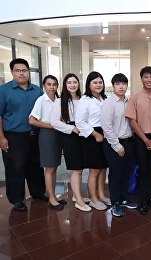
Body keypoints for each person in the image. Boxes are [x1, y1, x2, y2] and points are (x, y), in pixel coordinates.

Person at [0, 58, 47, 212]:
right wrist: (1, 137)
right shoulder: (4, 90)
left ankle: (38, 191)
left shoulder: (37, 90)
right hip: (14, 136)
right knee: (15, 168)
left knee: (35, 165)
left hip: (35, 135)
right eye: (17, 70)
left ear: (28, 72)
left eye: (24, 70)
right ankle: (17, 199)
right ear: (12, 72)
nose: (21, 73)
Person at [125, 66, 151, 215]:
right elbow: (132, 121)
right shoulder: (134, 98)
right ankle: (143, 201)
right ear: (141, 79)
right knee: (143, 170)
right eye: (146, 77)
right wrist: (146, 140)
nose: (149, 80)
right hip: (141, 139)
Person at [50, 73, 91, 212]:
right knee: (77, 168)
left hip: (83, 135)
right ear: (65, 85)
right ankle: (79, 201)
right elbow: (54, 122)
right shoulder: (60, 101)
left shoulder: (83, 99)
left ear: (79, 84)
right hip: (69, 136)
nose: (72, 85)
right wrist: (71, 128)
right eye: (69, 82)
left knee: (80, 167)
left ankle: (76, 195)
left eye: (75, 82)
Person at [101, 73, 138, 217]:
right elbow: (107, 126)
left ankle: (123, 199)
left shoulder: (129, 101)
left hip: (129, 141)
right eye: (118, 84)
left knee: (126, 173)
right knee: (115, 174)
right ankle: (115, 202)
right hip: (113, 143)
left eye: (123, 84)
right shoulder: (108, 103)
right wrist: (117, 146)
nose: (121, 86)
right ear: (113, 86)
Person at [29, 75, 65, 210]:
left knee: (54, 167)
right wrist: (51, 126)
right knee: (49, 168)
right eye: (49, 84)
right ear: (44, 85)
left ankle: (53, 195)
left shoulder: (58, 100)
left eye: (54, 84)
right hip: (47, 134)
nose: (52, 87)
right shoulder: (41, 100)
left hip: (58, 134)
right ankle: (51, 198)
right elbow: (32, 120)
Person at [75, 71, 110, 211]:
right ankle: (93, 199)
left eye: (100, 82)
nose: (98, 85)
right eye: (95, 82)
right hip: (91, 136)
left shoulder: (104, 99)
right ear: (89, 84)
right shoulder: (85, 100)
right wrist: (95, 134)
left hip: (105, 134)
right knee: (94, 170)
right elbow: (80, 122)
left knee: (103, 168)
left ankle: (101, 195)